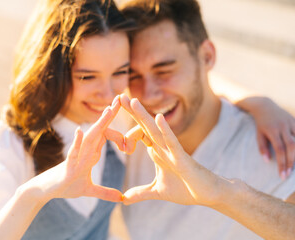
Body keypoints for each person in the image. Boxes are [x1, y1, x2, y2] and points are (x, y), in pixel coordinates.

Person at [0, 0, 135, 239]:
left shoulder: (116, 122)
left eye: (120, 72)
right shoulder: (6, 145)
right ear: (49, 72)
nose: (108, 94)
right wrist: (33, 195)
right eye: (87, 77)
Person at [118, 0, 295, 239]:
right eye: (134, 76)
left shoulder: (273, 147)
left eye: (164, 71)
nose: (148, 94)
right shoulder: (126, 130)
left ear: (208, 56)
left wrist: (222, 193)